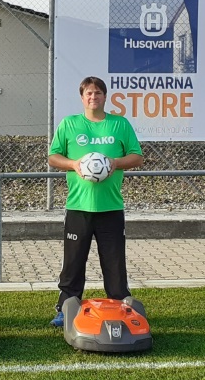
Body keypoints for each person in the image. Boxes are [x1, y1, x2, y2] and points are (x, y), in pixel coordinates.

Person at [48, 76, 144, 328]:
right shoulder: (70, 124)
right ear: (82, 98)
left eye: (98, 93)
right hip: (78, 207)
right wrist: (73, 164)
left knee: (114, 261)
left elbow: (137, 157)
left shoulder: (119, 124)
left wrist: (115, 162)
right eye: (89, 93)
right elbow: (53, 157)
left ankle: (120, 306)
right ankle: (66, 307)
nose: (93, 97)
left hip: (110, 207)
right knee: (73, 262)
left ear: (105, 96)